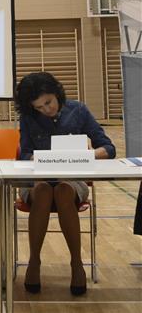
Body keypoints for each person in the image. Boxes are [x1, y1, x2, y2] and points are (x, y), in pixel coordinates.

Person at [14, 71, 116, 296]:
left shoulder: (78, 110)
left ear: (57, 93)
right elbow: (25, 154)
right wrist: (43, 159)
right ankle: (34, 261)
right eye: (39, 107)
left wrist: (85, 156)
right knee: (43, 190)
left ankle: (76, 263)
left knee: (62, 189)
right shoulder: (28, 118)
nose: (46, 109)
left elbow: (108, 148)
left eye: (48, 102)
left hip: (72, 180)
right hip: (37, 179)